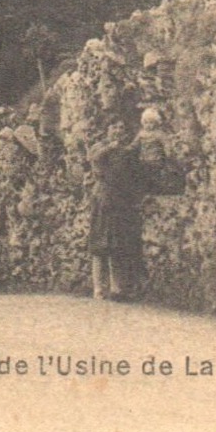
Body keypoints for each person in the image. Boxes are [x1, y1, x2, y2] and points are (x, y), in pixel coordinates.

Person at [86, 120, 144, 301]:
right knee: (99, 244)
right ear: (107, 130)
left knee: (116, 244)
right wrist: (110, 147)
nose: (118, 131)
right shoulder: (100, 146)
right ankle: (98, 288)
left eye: (122, 128)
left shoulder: (125, 150)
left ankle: (116, 288)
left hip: (119, 199)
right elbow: (93, 158)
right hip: (102, 198)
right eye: (114, 127)